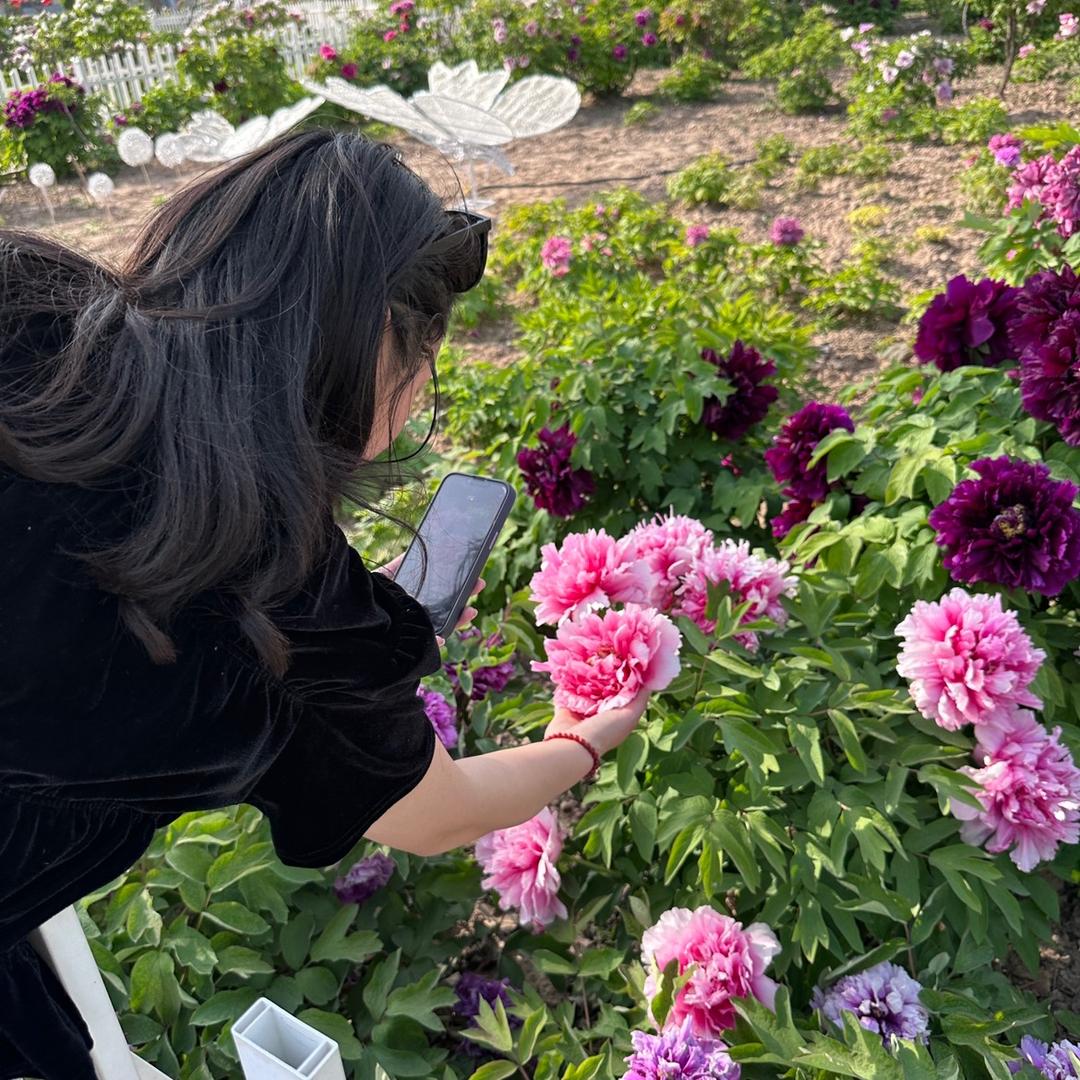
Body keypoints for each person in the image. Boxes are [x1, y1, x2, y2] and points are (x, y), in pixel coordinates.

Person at [0, 129, 651, 1079]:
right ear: (376, 342)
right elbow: (435, 815)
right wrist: (583, 738)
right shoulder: (276, 597)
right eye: (422, 354)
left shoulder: (27, 306)